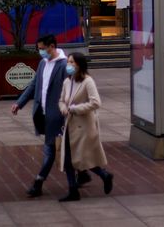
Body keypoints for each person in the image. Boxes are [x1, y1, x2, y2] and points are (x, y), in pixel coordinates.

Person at [12, 34, 71, 197]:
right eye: (39, 49)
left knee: (50, 150)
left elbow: (69, 91)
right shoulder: (42, 63)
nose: (41, 52)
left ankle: (38, 182)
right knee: (65, 149)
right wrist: (20, 102)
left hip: (57, 115)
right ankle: (93, 173)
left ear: (52, 46)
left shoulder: (64, 65)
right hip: (43, 113)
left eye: (43, 49)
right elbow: (34, 85)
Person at [58, 52, 113, 202]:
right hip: (70, 125)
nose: (68, 66)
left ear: (79, 65)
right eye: (68, 62)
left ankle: (104, 175)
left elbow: (96, 103)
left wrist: (76, 108)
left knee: (83, 158)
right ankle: (73, 190)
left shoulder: (88, 81)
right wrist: (63, 108)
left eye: (72, 63)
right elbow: (62, 100)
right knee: (68, 159)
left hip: (84, 126)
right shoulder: (67, 82)